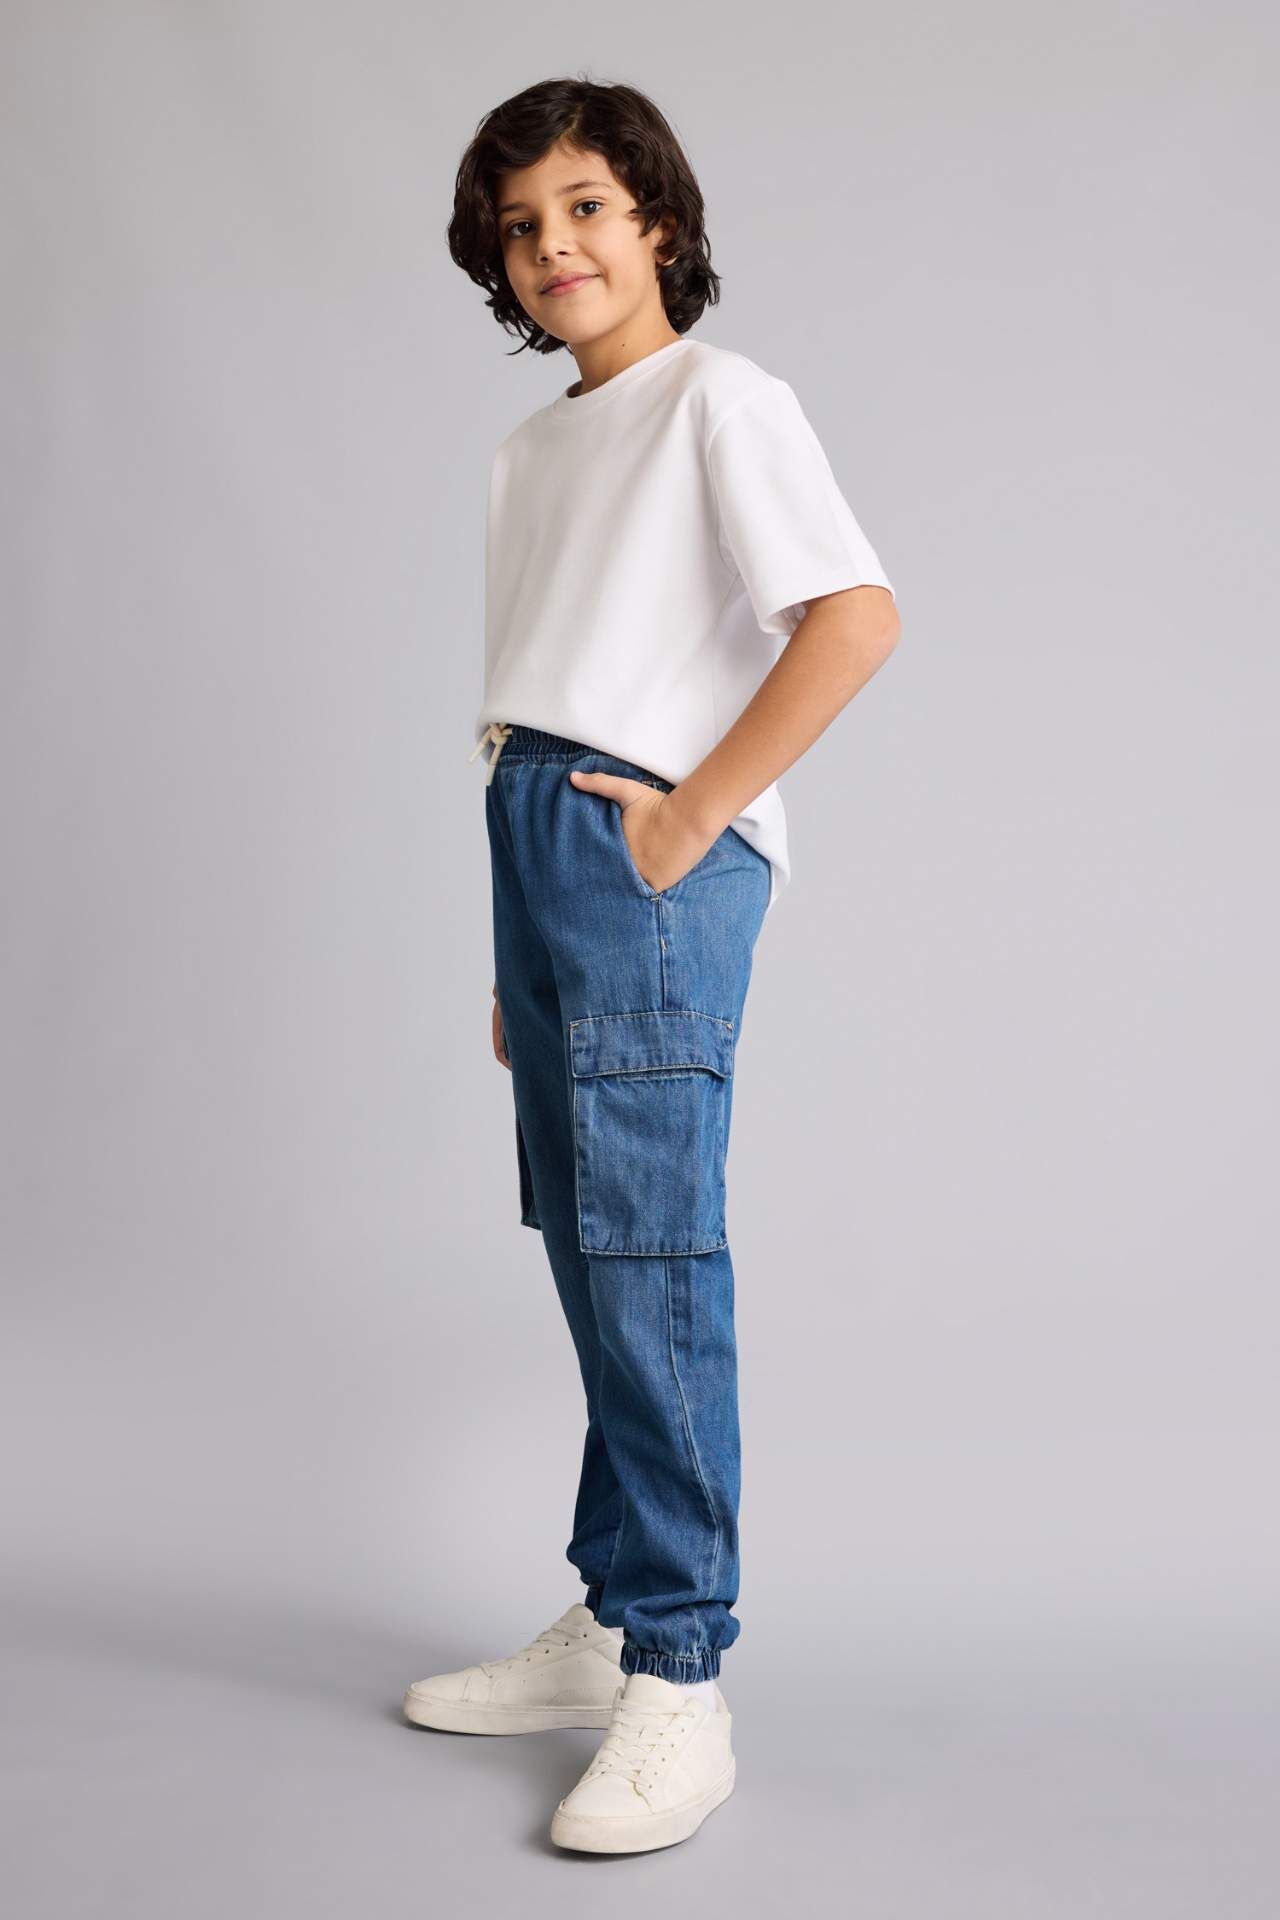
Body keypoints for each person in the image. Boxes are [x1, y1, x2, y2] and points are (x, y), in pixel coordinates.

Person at [405, 76, 901, 1855]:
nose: (555, 246)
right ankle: (617, 1615)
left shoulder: (722, 400)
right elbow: (533, 690)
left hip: (640, 854)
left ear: (661, 223)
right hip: (539, 846)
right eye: (522, 226)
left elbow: (854, 616)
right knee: (586, 1242)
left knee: (649, 1247)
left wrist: (690, 819)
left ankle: (683, 1673)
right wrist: (513, 946)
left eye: (589, 208)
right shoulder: (530, 453)